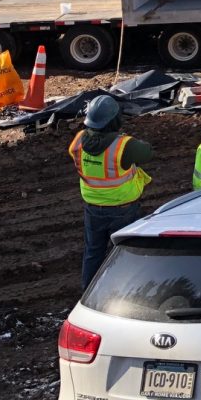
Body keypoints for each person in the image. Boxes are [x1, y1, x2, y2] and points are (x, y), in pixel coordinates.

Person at [69, 94, 154, 288]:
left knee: (93, 251)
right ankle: (125, 291)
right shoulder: (124, 145)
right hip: (122, 208)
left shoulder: (78, 141)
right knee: (126, 252)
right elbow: (148, 152)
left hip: (92, 206)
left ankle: (88, 291)